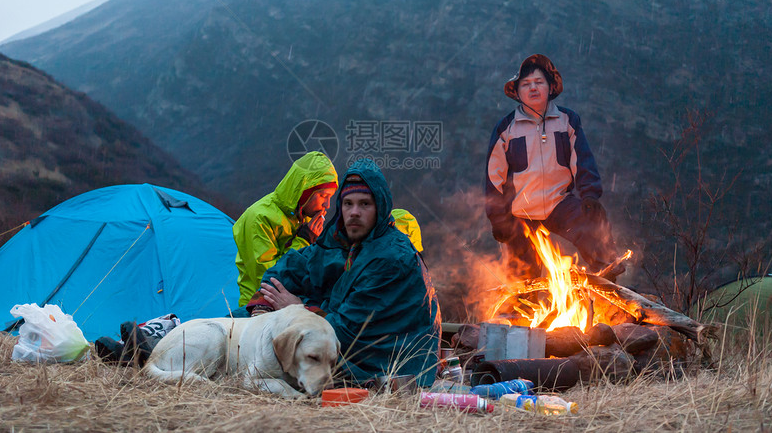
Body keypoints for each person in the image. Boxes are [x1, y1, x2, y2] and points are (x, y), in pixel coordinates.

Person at [244, 159, 442, 387]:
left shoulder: (392, 258)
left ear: (380, 207)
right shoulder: (340, 239)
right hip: (332, 327)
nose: (354, 212)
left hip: (377, 359)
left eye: (364, 204)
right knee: (240, 323)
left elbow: (346, 332)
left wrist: (296, 308)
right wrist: (263, 309)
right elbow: (287, 269)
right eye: (348, 203)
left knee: (280, 354)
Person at [485, 54, 622, 279]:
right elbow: (493, 177)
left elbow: (583, 159)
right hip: (521, 210)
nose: (533, 88)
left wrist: (590, 195)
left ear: (550, 87)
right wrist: (498, 217)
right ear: (517, 92)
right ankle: (523, 311)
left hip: (559, 203)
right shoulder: (506, 128)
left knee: (594, 226)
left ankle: (611, 286)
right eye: (526, 85)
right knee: (523, 277)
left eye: (539, 82)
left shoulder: (567, 120)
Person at [232, 151, 338, 307]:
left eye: (331, 197)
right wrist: (303, 241)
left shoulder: (304, 217)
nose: (327, 205)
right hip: (258, 307)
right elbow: (268, 279)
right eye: (323, 196)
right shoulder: (259, 218)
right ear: (305, 191)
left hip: (289, 304)